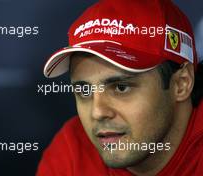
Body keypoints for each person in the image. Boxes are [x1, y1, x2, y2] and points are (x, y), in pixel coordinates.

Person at [37, 0, 203, 175]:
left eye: (121, 87)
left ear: (182, 83)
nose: (97, 112)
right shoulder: (72, 150)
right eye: (85, 91)